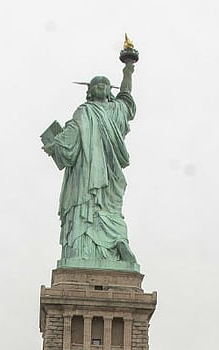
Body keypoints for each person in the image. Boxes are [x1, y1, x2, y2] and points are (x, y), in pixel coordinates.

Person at [42, 59, 139, 271]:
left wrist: (128, 69)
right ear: (90, 91)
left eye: (104, 84)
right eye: (96, 84)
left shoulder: (116, 110)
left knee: (110, 209)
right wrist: (55, 145)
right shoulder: (83, 112)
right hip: (86, 171)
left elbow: (127, 98)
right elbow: (70, 137)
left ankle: (116, 243)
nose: (100, 86)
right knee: (87, 205)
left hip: (110, 169)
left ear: (109, 90)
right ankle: (82, 249)